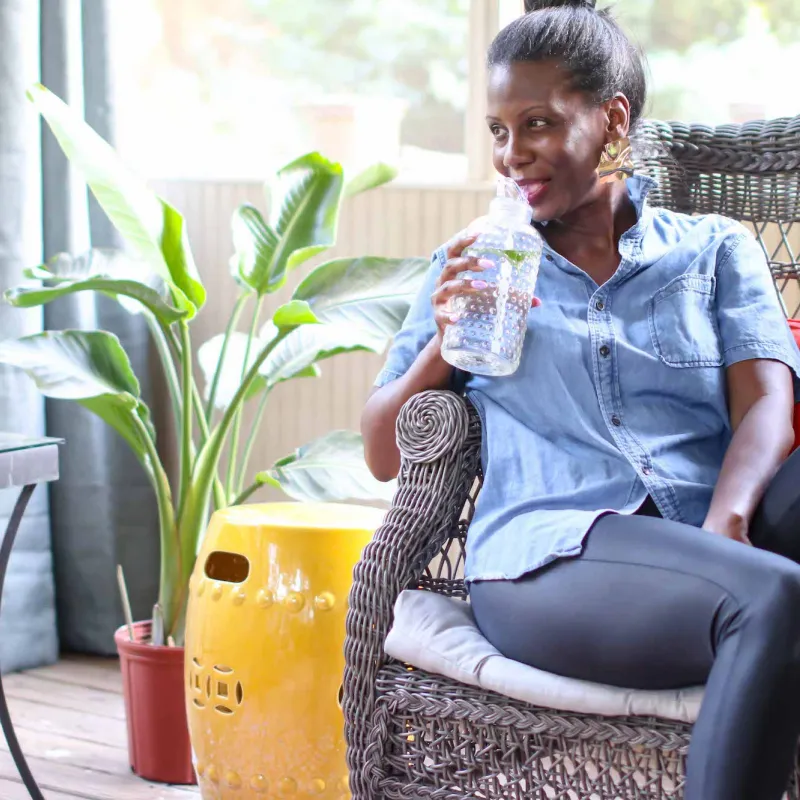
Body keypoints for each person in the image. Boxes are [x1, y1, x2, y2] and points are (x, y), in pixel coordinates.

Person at [361, 1, 800, 798]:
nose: (510, 154)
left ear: (612, 120)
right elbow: (382, 451)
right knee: (772, 595)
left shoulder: (711, 249)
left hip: (702, 536)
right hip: (552, 562)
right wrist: (441, 342)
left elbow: (767, 401)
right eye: (497, 130)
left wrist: (726, 520)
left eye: (535, 124)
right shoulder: (475, 265)